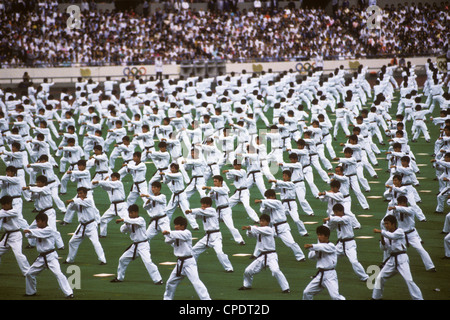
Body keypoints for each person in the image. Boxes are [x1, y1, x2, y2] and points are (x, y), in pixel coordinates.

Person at [372, 215, 423, 300]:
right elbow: (384, 249)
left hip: (402, 259)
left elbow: (393, 236)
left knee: (409, 280)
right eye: (385, 224)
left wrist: (381, 232)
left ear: (393, 224)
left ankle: (419, 299)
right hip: (391, 260)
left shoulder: (400, 231)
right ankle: (376, 297)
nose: (386, 226)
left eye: (387, 224)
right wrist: (382, 240)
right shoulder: (386, 235)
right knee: (380, 278)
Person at [23, 212, 74, 298]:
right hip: (41, 258)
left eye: (38, 221)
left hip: (51, 257)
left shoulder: (49, 230)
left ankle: (69, 293)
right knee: (29, 273)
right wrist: (30, 230)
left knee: (58, 274)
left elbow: (37, 233)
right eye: (36, 221)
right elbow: (28, 235)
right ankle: (30, 292)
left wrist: (30, 230)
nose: (37, 223)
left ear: (44, 221)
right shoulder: (37, 230)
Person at [110, 205, 163, 285]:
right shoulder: (129, 221)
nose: (130, 214)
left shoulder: (141, 220)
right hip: (134, 246)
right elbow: (122, 230)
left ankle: (158, 279)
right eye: (129, 213)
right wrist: (126, 224)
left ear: (136, 212)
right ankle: (119, 278)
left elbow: (135, 221)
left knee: (148, 262)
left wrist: (124, 219)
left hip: (143, 245)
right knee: (122, 259)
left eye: (131, 213)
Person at [162, 216, 211, 300]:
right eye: (175, 225)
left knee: (196, 282)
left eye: (177, 225)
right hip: (180, 263)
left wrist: (169, 232)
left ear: (182, 226)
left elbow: (179, 235)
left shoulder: (187, 233)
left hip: (189, 262)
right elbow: (167, 241)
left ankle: (206, 299)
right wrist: (169, 234)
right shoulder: (175, 234)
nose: (175, 226)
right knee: (170, 282)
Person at [239, 213, 290, 293]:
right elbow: (250, 235)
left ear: (268, 222)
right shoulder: (259, 230)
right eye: (260, 221)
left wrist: (250, 227)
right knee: (247, 271)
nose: (261, 223)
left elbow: (257, 230)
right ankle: (247, 285)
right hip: (261, 256)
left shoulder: (269, 230)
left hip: (271, 255)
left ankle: (286, 288)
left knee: (276, 270)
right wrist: (249, 230)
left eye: (263, 221)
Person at [186, 196, 234, 273]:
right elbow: (197, 215)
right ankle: (193, 266)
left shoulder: (212, 210)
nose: (202, 206)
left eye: (203, 204)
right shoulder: (203, 211)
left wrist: (191, 211)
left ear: (208, 204)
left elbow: (199, 211)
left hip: (215, 236)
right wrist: (192, 213)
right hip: (207, 236)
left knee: (219, 252)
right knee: (194, 250)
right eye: (201, 204)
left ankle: (229, 268)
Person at [323, 204, 369, 282]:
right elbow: (330, 228)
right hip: (340, 244)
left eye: (336, 212)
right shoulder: (336, 219)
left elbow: (339, 220)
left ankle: (364, 277)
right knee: (330, 258)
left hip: (349, 243)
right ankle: (324, 276)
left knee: (354, 261)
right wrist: (326, 224)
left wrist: (329, 218)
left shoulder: (347, 218)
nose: (335, 214)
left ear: (341, 211)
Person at [64, 187, 106, 265]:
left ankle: (103, 260)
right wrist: (71, 203)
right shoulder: (78, 202)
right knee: (72, 242)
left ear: (85, 194)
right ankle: (70, 259)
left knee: (95, 242)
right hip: (81, 226)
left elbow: (79, 201)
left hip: (91, 226)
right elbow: (72, 207)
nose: (79, 195)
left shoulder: (89, 200)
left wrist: (72, 200)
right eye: (78, 193)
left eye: (81, 193)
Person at [302, 225, 345, 300]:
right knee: (306, 292)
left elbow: (324, 247)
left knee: (335, 297)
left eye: (321, 235)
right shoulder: (318, 247)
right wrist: (315, 249)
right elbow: (310, 257)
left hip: (330, 275)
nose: (319, 237)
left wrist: (312, 246)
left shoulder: (331, 246)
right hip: (320, 275)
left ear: (327, 236)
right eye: (318, 235)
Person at [203, 175, 245, 245]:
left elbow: (220, 190)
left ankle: (240, 240)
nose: (214, 183)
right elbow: (209, 199)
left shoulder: (224, 188)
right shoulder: (214, 190)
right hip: (218, 211)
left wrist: (208, 187)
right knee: (211, 224)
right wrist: (211, 194)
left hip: (225, 210)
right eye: (214, 181)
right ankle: (207, 237)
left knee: (230, 226)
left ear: (221, 182)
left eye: (216, 181)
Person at [0, 195, 30, 276]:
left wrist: (2, 212)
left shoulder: (15, 211)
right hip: (7, 236)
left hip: (15, 235)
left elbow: (3, 214)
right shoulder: (2, 211)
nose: (3, 206)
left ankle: (27, 272)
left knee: (18, 254)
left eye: (4, 204)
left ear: (10, 204)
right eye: (2, 205)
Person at [93, 172, 127, 238]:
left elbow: (109, 183)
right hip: (113, 207)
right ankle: (103, 234)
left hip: (121, 205)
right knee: (103, 219)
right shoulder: (111, 186)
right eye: (112, 177)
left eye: (114, 177)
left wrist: (99, 181)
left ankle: (134, 232)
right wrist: (103, 182)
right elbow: (105, 187)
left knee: (127, 220)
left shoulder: (118, 183)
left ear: (118, 178)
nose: (113, 179)